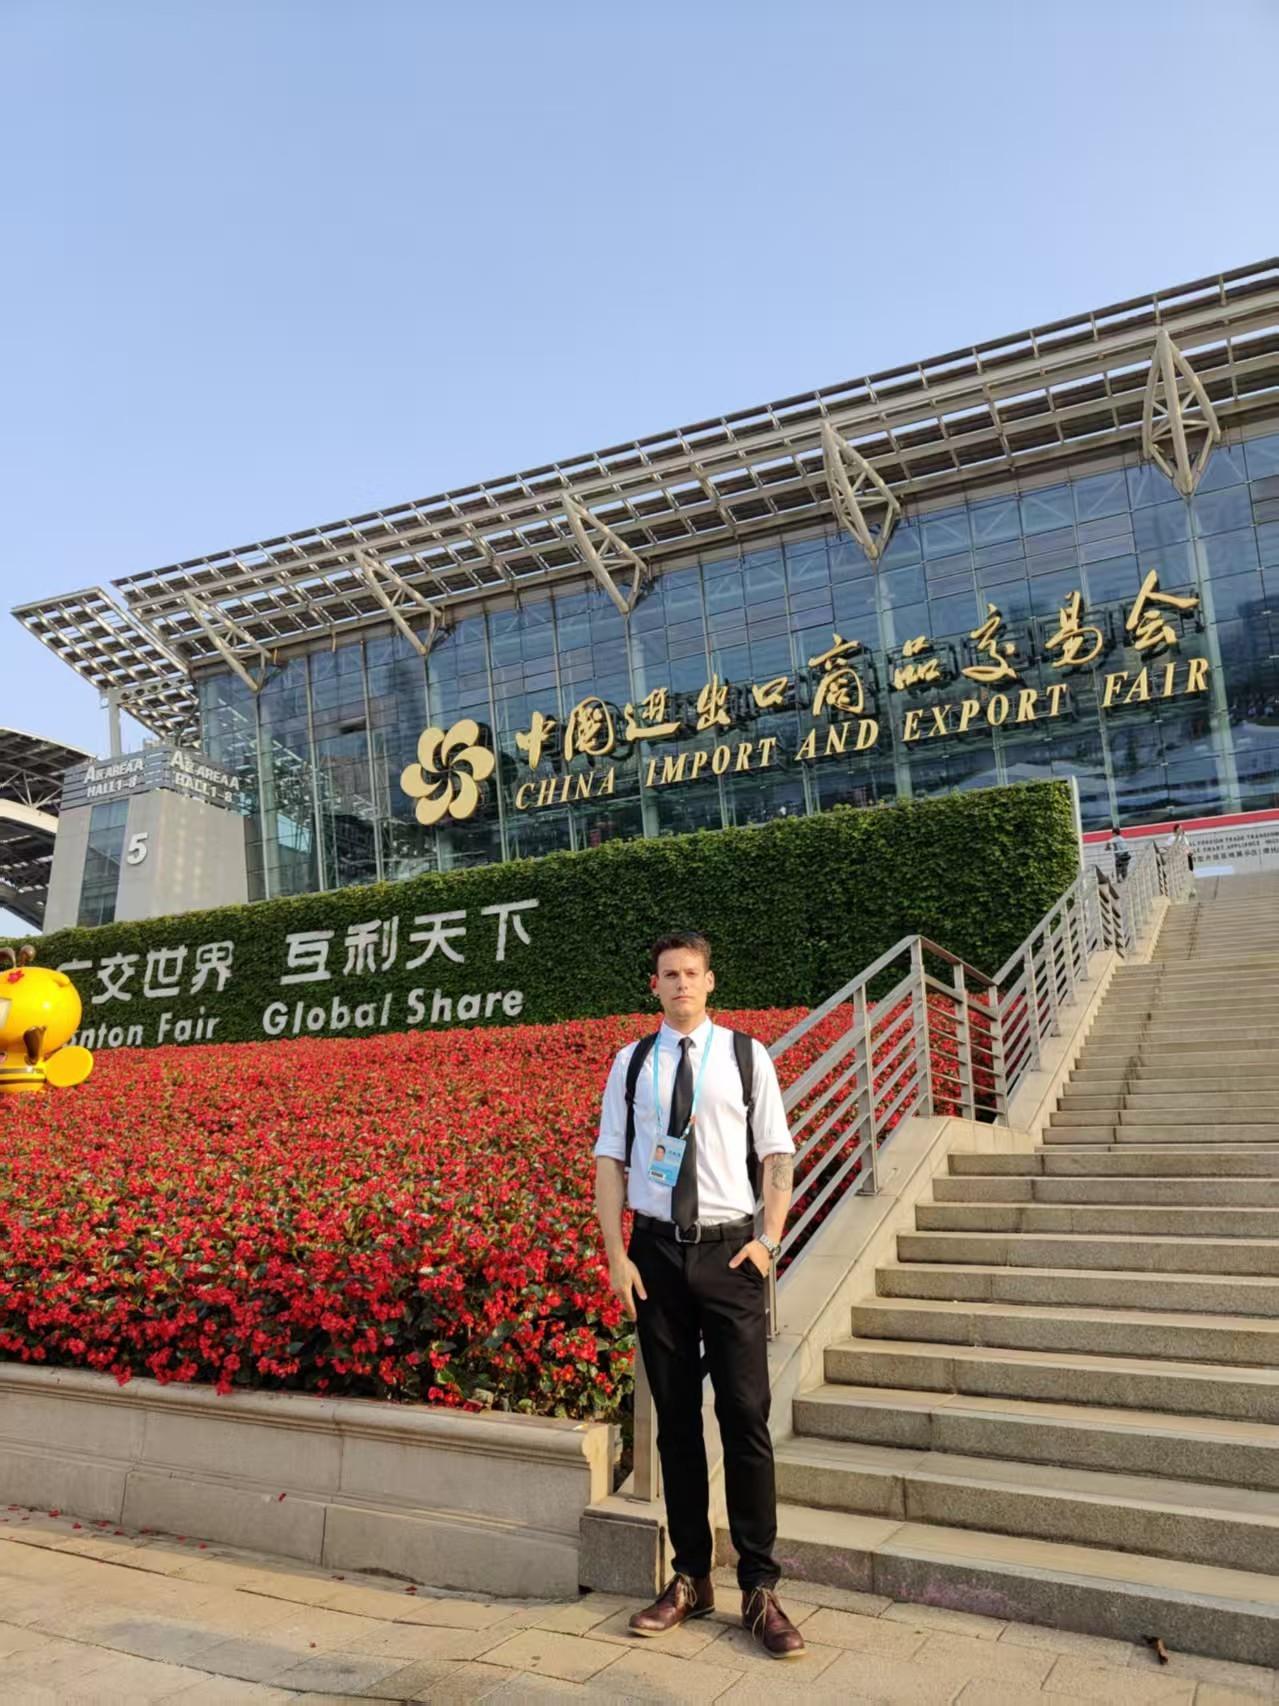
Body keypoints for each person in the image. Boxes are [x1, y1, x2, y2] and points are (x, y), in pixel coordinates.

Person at [594, 930, 805, 1660]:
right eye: (668, 974)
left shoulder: (746, 1055)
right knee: (676, 1424)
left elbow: (776, 1152)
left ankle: (759, 1587)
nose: (680, 983)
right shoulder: (631, 1063)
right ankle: (690, 1577)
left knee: (745, 1417)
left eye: (691, 972)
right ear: (652, 985)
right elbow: (610, 1161)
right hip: (655, 1256)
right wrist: (616, 1255)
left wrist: (768, 1241)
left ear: (709, 981)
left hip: (730, 1253)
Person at [1172, 822, 1198, 900]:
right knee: (1182, 875)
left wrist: (1190, 851)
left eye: (1182, 828)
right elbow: (1172, 849)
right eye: (1179, 829)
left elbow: (1187, 847)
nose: (1181, 830)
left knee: (1190, 872)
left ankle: (1191, 889)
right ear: (1175, 830)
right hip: (1179, 859)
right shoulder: (1172, 838)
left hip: (1187, 857)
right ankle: (1185, 891)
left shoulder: (1184, 838)